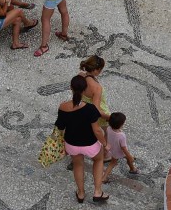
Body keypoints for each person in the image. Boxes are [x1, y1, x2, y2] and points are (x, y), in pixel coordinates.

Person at [55, 75, 111, 203]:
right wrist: (105, 143)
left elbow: (60, 126)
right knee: (98, 160)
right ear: (85, 90)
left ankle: (80, 193)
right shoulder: (90, 109)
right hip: (90, 144)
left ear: (71, 88)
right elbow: (97, 130)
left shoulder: (62, 107)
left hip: (72, 144)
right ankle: (97, 191)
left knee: (78, 165)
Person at [102, 112, 138, 184]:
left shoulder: (108, 128)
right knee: (114, 163)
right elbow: (124, 148)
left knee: (115, 161)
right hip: (119, 152)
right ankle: (104, 177)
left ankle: (132, 169)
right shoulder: (121, 135)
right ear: (121, 125)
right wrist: (129, 156)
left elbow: (105, 136)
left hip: (112, 149)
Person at [79, 55, 111, 129]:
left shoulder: (80, 76)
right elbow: (96, 110)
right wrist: (110, 118)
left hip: (84, 109)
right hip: (101, 114)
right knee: (105, 133)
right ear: (97, 69)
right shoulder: (97, 87)